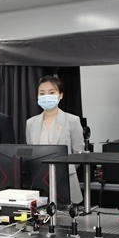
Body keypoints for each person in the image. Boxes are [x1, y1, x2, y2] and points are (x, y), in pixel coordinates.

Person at [25, 75, 86, 204]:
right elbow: (31, 153)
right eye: (42, 93)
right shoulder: (31, 123)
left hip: (66, 180)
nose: (46, 96)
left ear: (60, 95)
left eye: (51, 92)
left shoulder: (72, 120)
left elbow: (78, 154)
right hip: (38, 181)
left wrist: (65, 170)